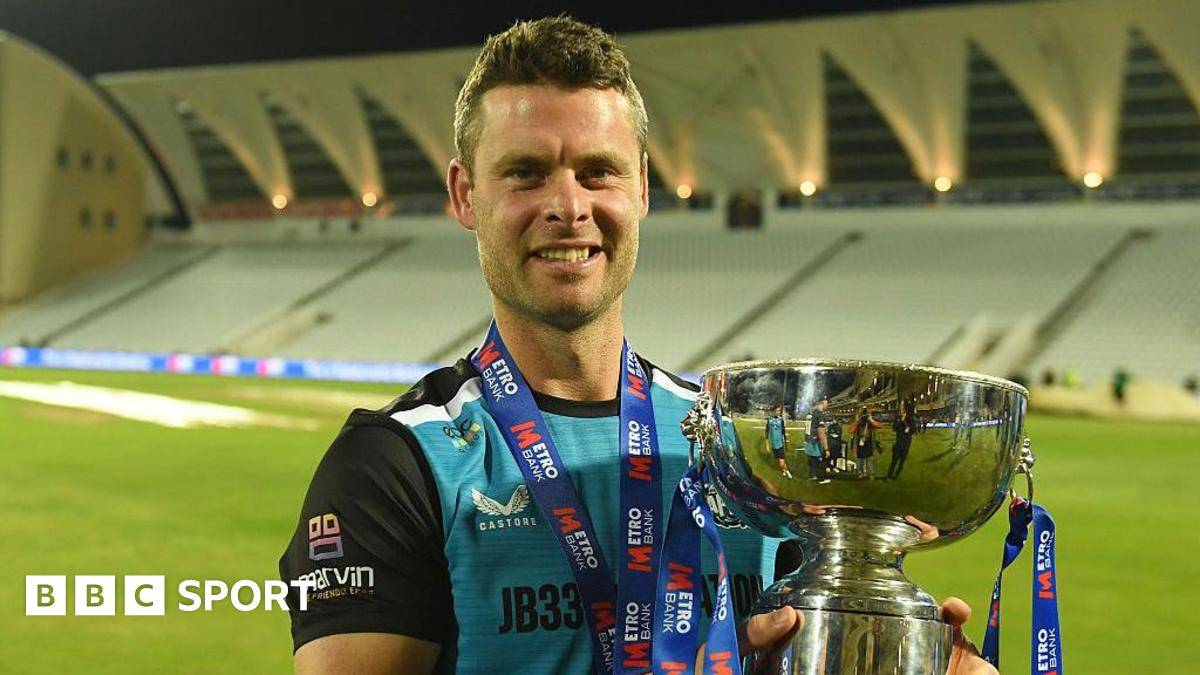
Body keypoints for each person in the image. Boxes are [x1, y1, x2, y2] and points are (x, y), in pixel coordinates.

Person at [279, 16, 994, 675]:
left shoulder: (742, 452)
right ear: (466, 195)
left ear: (642, 188)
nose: (569, 205)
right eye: (526, 172)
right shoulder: (395, 463)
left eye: (598, 170)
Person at [887, 399, 918, 480]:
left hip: (906, 444)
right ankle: (889, 475)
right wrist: (899, 423)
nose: (901, 407)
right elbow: (894, 428)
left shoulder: (910, 418)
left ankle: (896, 476)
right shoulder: (898, 417)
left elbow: (914, 430)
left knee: (901, 462)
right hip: (898, 442)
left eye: (903, 405)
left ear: (906, 407)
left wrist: (909, 429)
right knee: (894, 460)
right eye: (900, 405)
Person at [850, 406, 883, 479]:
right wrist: (857, 421)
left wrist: (871, 419)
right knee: (859, 463)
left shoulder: (870, 421)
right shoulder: (858, 422)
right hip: (859, 445)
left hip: (869, 445)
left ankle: (872, 475)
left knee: (870, 462)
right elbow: (850, 431)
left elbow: (880, 426)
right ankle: (861, 473)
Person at [803, 397, 830, 483]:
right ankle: (821, 478)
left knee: (811, 460)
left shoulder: (811, 412)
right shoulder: (819, 413)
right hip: (814, 442)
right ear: (823, 402)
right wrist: (826, 449)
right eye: (827, 403)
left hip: (808, 440)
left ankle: (812, 475)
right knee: (819, 460)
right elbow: (821, 432)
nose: (827, 405)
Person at [767, 405, 792, 478]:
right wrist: (767, 445)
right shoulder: (769, 420)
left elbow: (783, 432)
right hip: (773, 444)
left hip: (780, 444)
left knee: (781, 461)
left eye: (779, 411)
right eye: (777, 411)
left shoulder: (781, 420)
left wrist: (786, 443)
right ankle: (784, 470)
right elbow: (767, 432)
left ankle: (787, 471)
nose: (778, 412)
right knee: (778, 460)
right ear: (774, 411)